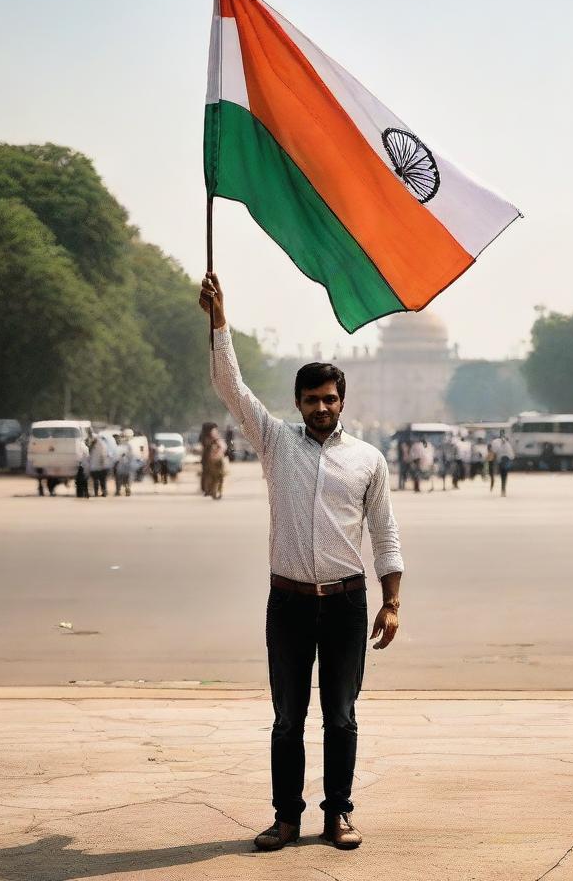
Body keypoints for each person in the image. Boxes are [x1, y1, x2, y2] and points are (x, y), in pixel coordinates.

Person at [200, 272, 403, 853]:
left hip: (345, 602)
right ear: (298, 403)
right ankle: (285, 818)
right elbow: (230, 386)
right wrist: (219, 323)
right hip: (288, 601)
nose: (321, 407)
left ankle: (337, 813)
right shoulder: (275, 442)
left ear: (342, 403)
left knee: (340, 717)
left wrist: (392, 603)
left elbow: (385, 534)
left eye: (330, 399)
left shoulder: (367, 460)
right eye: (312, 399)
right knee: (288, 718)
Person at [201, 425, 227, 499]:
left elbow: (223, 448)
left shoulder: (216, 442)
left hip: (217, 461)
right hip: (213, 462)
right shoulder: (208, 442)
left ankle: (217, 492)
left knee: (219, 477)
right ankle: (214, 492)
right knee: (215, 477)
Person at [491, 432, 515, 496]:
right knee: (504, 476)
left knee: (503, 476)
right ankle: (503, 490)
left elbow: (496, 453)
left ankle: (503, 490)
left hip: (502, 463)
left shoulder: (499, 445)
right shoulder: (508, 445)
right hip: (505, 463)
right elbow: (512, 456)